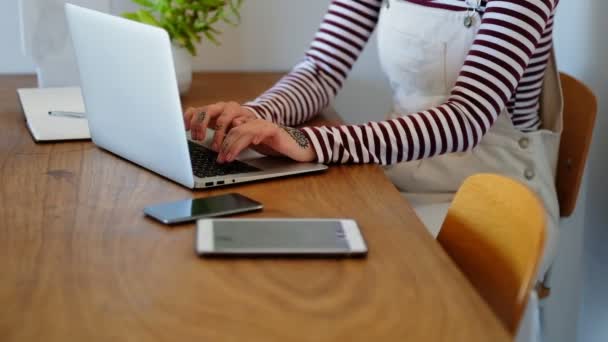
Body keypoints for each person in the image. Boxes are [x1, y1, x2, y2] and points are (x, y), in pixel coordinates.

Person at [184, 0, 562, 277]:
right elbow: (321, 70)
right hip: (398, 179)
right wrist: (257, 115)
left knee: (349, 282)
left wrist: (310, 142)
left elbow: (466, 119)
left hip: (495, 202)